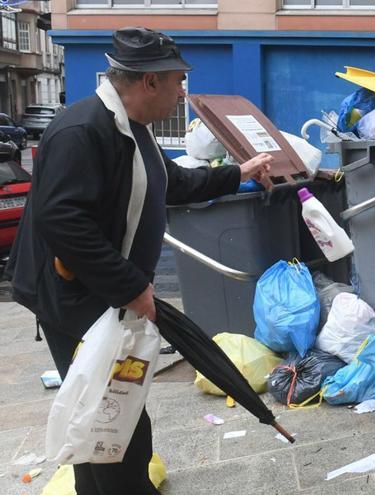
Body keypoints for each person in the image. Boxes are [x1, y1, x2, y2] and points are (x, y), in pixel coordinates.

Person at [3, 27, 273, 494]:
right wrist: (132, 287)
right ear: (149, 82)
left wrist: (239, 173)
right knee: (115, 418)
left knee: (101, 414)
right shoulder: (83, 130)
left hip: (104, 296)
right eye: (176, 80)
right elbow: (63, 222)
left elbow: (177, 185)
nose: (182, 91)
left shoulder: (135, 132)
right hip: (73, 301)